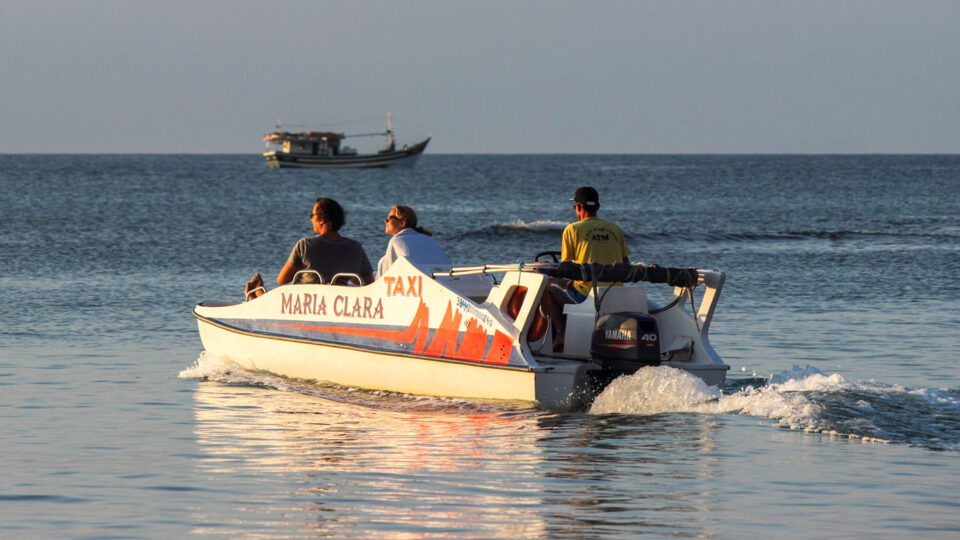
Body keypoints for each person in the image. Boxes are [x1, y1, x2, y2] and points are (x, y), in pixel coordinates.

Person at [544, 186, 630, 349]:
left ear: (578, 207)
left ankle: (561, 334)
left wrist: (546, 268)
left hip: (585, 294)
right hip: (615, 293)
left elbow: (566, 268)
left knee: (547, 286)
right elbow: (626, 265)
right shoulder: (614, 229)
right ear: (597, 207)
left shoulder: (572, 229)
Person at [245, 198, 374, 300]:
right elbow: (369, 283)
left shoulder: (305, 245)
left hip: (306, 302)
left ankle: (257, 295)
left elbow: (282, 279)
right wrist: (338, 278)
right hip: (338, 302)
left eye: (312, 215)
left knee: (282, 294)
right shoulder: (355, 247)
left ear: (321, 220)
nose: (311, 219)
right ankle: (257, 295)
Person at [377, 205, 452, 276]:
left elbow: (390, 275)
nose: (385, 221)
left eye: (389, 218)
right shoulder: (428, 239)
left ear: (402, 223)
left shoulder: (397, 240)